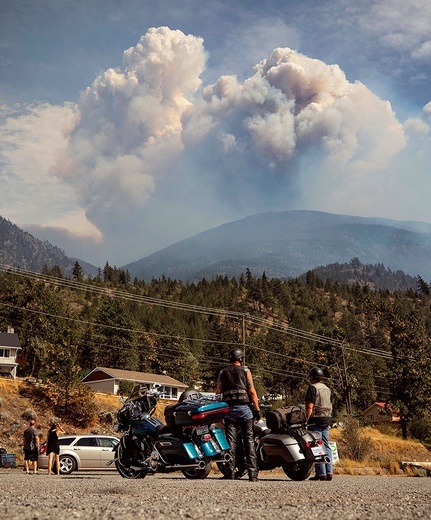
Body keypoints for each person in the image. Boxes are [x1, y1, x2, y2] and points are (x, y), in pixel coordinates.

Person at [215, 348, 260, 482]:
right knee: (249, 441)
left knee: (231, 442)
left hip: (229, 411)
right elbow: (252, 391)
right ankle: (253, 475)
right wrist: (257, 410)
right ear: (240, 359)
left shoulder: (223, 372)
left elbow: (218, 392)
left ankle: (230, 473)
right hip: (245, 411)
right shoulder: (245, 370)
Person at [305, 366, 333, 481]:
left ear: (312, 377)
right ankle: (329, 472)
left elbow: (309, 406)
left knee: (317, 445)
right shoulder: (328, 389)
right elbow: (331, 406)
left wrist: (306, 420)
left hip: (315, 419)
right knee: (326, 445)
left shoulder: (312, 388)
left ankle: (321, 473)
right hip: (327, 419)